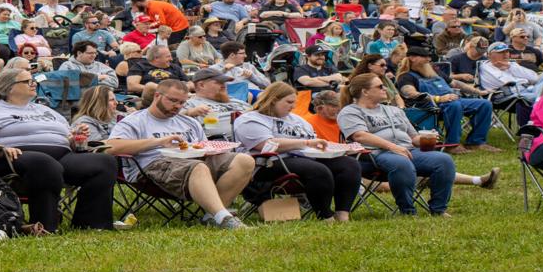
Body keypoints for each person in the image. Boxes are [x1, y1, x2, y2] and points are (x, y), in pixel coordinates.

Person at [0, 66, 119, 232]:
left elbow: (66, 137)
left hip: (62, 155)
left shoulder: (45, 110)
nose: (34, 83)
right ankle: (45, 225)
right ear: (9, 87)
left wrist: (74, 138)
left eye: (33, 80)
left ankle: (91, 224)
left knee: (105, 162)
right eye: (27, 81)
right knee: (45, 163)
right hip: (14, 157)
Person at [107, 77, 256, 231]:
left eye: (182, 103)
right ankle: (224, 219)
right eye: (173, 101)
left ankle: (213, 215)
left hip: (194, 161)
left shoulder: (189, 122)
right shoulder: (135, 121)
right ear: (157, 96)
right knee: (198, 167)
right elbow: (111, 147)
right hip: (152, 167)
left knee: (244, 160)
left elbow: (203, 146)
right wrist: (158, 142)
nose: (178, 106)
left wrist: (210, 149)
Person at [338, 74, 482, 218]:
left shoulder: (394, 110)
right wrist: (393, 147)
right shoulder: (350, 112)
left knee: (444, 160)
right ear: (365, 91)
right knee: (402, 163)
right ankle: (407, 211)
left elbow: (413, 138)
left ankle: (439, 209)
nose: (385, 89)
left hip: (407, 150)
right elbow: (360, 135)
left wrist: (426, 138)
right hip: (372, 155)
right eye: (380, 86)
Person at [233, 82, 361, 223]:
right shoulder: (250, 119)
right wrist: (305, 143)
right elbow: (267, 144)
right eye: (289, 102)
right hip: (268, 163)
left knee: (349, 164)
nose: (293, 106)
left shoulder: (297, 120)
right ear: (273, 99)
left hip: (306, 157)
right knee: (317, 170)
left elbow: (313, 141)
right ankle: (325, 216)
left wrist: (336, 148)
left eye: (294, 102)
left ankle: (342, 214)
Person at [397, 48, 497, 154]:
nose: (429, 59)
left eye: (429, 57)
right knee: (454, 105)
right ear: (412, 58)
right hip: (430, 106)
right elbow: (410, 93)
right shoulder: (406, 76)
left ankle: (476, 142)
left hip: (453, 100)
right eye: (425, 57)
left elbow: (455, 83)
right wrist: (438, 98)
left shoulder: (433, 71)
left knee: (485, 104)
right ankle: (452, 144)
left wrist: (478, 92)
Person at [477, 42, 539, 125]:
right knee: (541, 98)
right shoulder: (486, 67)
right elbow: (507, 82)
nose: (506, 54)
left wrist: (510, 67)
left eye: (507, 51)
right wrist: (525, 80)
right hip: (505, 96)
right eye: (501, 52)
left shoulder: (511, 64)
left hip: (526, 91)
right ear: (490, 55)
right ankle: (529, 131)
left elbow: (535, 77)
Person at [183, 66, 251, 139]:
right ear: (201, 85)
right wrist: (188, 113)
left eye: (224, 82)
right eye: (219, 82)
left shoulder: (235, 101)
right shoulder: (192, 104)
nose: (224, 85)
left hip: (255, 133)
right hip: (227, 143)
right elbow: (173, 118)